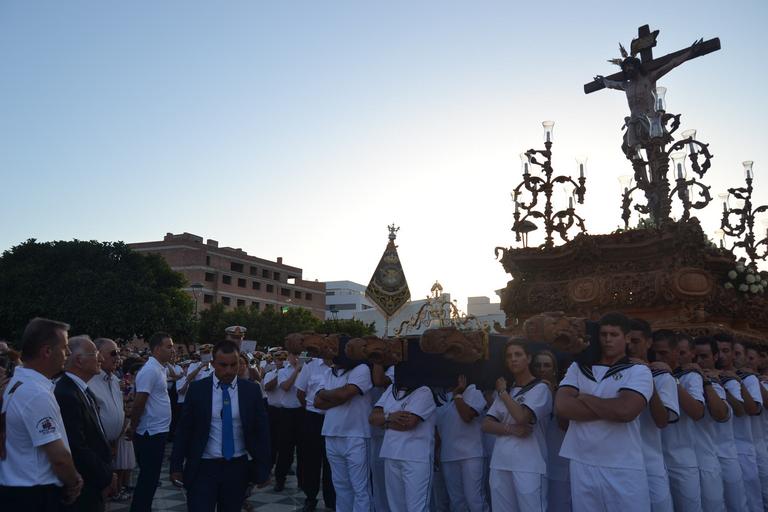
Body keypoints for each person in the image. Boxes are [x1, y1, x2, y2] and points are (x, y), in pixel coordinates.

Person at [555, 312, 653, 512]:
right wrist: (611, 407)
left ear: (626, 338)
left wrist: (585, 398)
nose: (608, 339)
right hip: (582, 462)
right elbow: (563, 407)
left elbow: (626, 411)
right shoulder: (578, 368)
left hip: (623, 465)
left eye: (614, 334)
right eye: (604, 334)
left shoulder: (638, 371)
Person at [170, 340, 271, 512]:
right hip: (203, 467)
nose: (229, 371)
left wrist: (265, 467)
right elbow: (184, 430)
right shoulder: (197, 390)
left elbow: (262, 431)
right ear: (213, 363)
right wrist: (176, 466)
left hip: (237, 468)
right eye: (223, 365)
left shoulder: (250, 391)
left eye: (234, 365)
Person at [0, 318, 83, 511]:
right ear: (46, 351)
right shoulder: (35, 393)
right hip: (34, 494)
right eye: (64, 348)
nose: (68, 353)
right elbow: (58, 457)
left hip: (19, 489)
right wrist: (73, 481)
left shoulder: (19, 383)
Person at [54, 335, 115, 512]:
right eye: (96, 354)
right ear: (79, 360)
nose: (101, 359)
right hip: (84, 486)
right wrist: (106, 475)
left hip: (93, 482)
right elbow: (77, 447)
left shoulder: (81, 390)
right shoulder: (66, 394)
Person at [627, 320, 678, 512]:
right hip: (623, 464)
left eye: (636, 341)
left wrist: (646, 376)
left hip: (651, 462)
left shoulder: (662, 376)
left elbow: (662, 420)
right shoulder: (615, 373)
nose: (630, 346)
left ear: (648, 343)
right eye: (627, 341)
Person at [650, 331, 704, 512]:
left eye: (664, 353)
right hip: (654, 460)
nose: (659, 358)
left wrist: (672, 379)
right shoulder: (649, 373)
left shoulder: (691, 377)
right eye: (655, 353)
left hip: (682, 461)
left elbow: (697, 412)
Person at [693, 336, 748, 511]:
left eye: (705, 357)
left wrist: (714, 384)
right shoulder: (689, 378)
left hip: (728, 454)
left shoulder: (726, 379)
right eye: (697, 357)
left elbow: (739, 411)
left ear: (714, 357)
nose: (700, 362)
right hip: (700, 459)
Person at [370, 374, 435, 512]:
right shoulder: (391, 390)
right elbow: (373, 418)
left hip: (415, 458)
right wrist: (390, 417)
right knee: (396, 508)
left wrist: (385, 424)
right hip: (391, 454)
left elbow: (408, 423)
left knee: (416, 508)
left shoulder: (424, 391)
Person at [316, 357, 374, 512]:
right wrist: (340, 395)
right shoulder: (329, 372)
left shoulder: (361, 369)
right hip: (331, 433)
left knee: (360, 487)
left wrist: (327, 394)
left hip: (356, 435)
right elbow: (317, 402)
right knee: (340, 486)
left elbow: (342, 394)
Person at [125, 332, 174, 512]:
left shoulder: (161, 368)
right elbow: (139, 403)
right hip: (149, 432)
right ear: (156, 349)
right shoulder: (150, 370)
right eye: (168, 346)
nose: (172, 350)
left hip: (158, 431)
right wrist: (133, 426)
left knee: (151, 477)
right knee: (148, 477)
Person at [717, 334, 764, 512]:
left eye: (728, 351)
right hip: (720, 451)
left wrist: (734, 381)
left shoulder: (748, 379)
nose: (723, 356)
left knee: (750, 502)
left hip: (745, 450)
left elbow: (751, 409)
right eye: (719, 351)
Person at [436, 374, 488, 512]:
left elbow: (467, 415)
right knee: (457, 502)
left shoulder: (473, 390)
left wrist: (458, 395)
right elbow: (440, 428)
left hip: (471, 454)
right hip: (448, 456)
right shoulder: (439, 396)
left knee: (475, 501)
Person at [532, 350, 571, 512]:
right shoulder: (525, 391)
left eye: (547, 365)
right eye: (538, 365)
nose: (542, 369)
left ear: (554, 369)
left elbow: (564, 424)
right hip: (533, 459)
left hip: (558, 461)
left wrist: (553, 393)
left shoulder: (565, 390)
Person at [295, 356, 335, 512]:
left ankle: (331, 500)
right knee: (310, 460)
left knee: (331, 461)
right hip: (313, 417)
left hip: (332, 417)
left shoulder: (341, 366)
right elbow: (300, 392)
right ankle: (310, 497)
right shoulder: (310, 366)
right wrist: (312, 408)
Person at [274, 352, 304, 492]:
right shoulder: (283, 371)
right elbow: (285, 387)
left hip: (302, 412)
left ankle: (303, 482)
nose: (296, 358)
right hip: (287, 413)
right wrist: (296, 370)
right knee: (285, 449)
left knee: (304, 451)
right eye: (294, 355)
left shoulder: (307, 369)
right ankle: (280, 479)